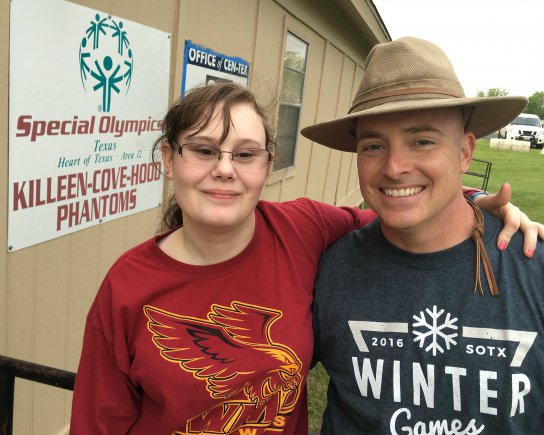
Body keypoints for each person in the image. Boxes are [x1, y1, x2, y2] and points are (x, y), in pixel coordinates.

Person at [70, 82, 540, 435]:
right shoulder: (128, 286)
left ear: (266, 165)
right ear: (169, 159)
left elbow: (400, 207)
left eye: (246, 153)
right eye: (204, 150)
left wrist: (473, 202)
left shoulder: (302, 229)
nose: (225, 169)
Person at [302, 37, 544, 434]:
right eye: (374, 145)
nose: (395, 167)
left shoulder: (532, 267)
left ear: (465, 152)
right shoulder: (329, 268)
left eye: (423, 141)